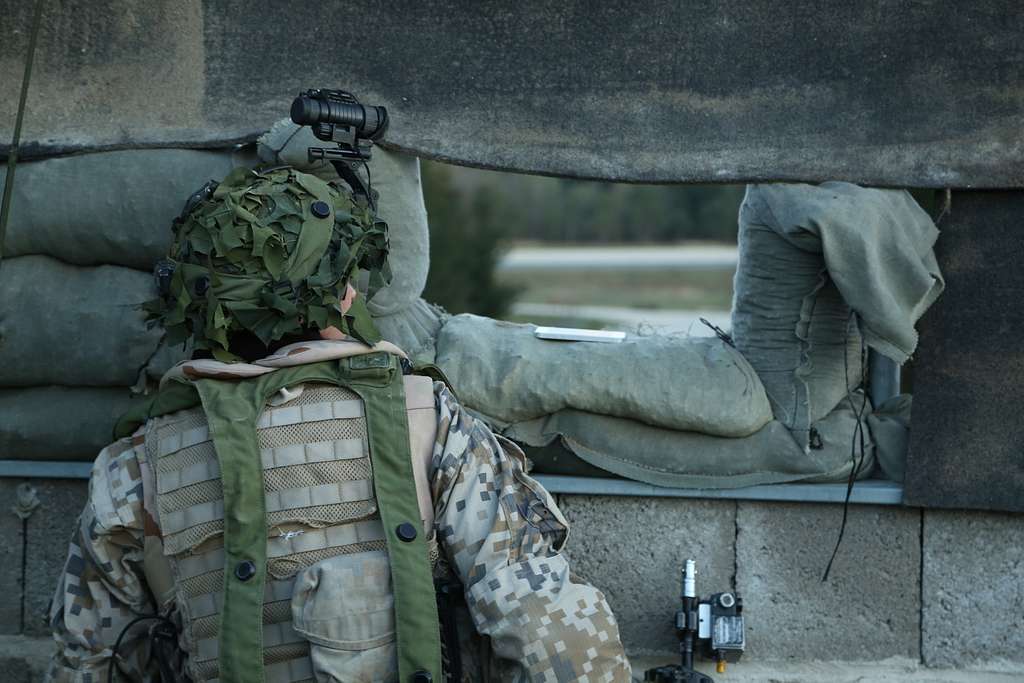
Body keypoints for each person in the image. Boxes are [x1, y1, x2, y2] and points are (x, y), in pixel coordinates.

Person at [45, 165, 631, 682]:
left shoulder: (134, 470)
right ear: (344, 295)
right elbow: (548, 630)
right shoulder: (428, 423)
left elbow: (89, 659)